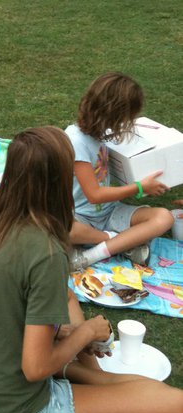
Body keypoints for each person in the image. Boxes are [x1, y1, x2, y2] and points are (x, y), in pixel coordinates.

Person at [0, 126, 183, 413]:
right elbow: (35, 369)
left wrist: (67, 334)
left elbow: (7, 307)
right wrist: (86, 332)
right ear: (60, 181)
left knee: (69, 299)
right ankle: (83, 375)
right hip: (17, 406)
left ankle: (88, 376)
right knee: (174, 403)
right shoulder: (46, 253)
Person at [66, 72, 173, 272]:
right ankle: (117, 243)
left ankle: (90, 254)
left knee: (164, 217)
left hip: (110, 212)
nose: (128, 123)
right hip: (80, 217)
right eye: (128, 117)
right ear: (114, 114)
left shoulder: (100, 134)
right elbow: (94, 195)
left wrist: (141, 182)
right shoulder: (76, 140)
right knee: (62, 229)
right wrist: (139, 187)